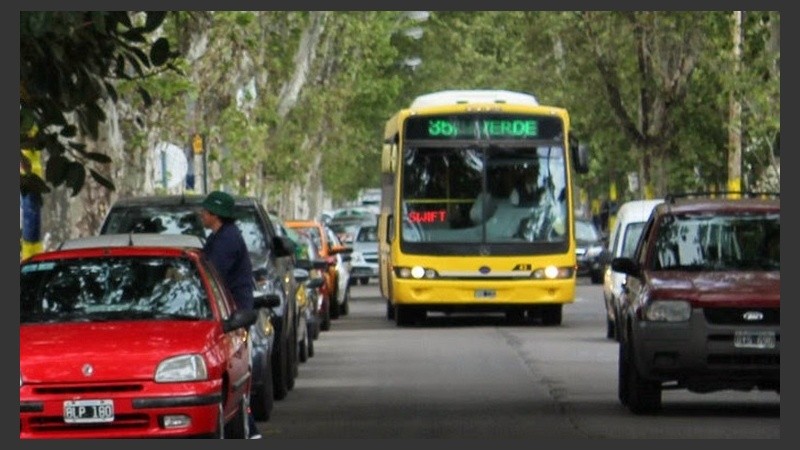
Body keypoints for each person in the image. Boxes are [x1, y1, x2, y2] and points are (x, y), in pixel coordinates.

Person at [198, 190, 262, 439]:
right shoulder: (220, 237)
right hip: (231, 315)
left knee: (235, 374)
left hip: (233, 318)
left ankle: (249, 428)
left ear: (215, 215)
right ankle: (250, 428)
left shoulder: (226, 241)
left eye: (205, 211)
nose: (202, 215)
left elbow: (213, 276)